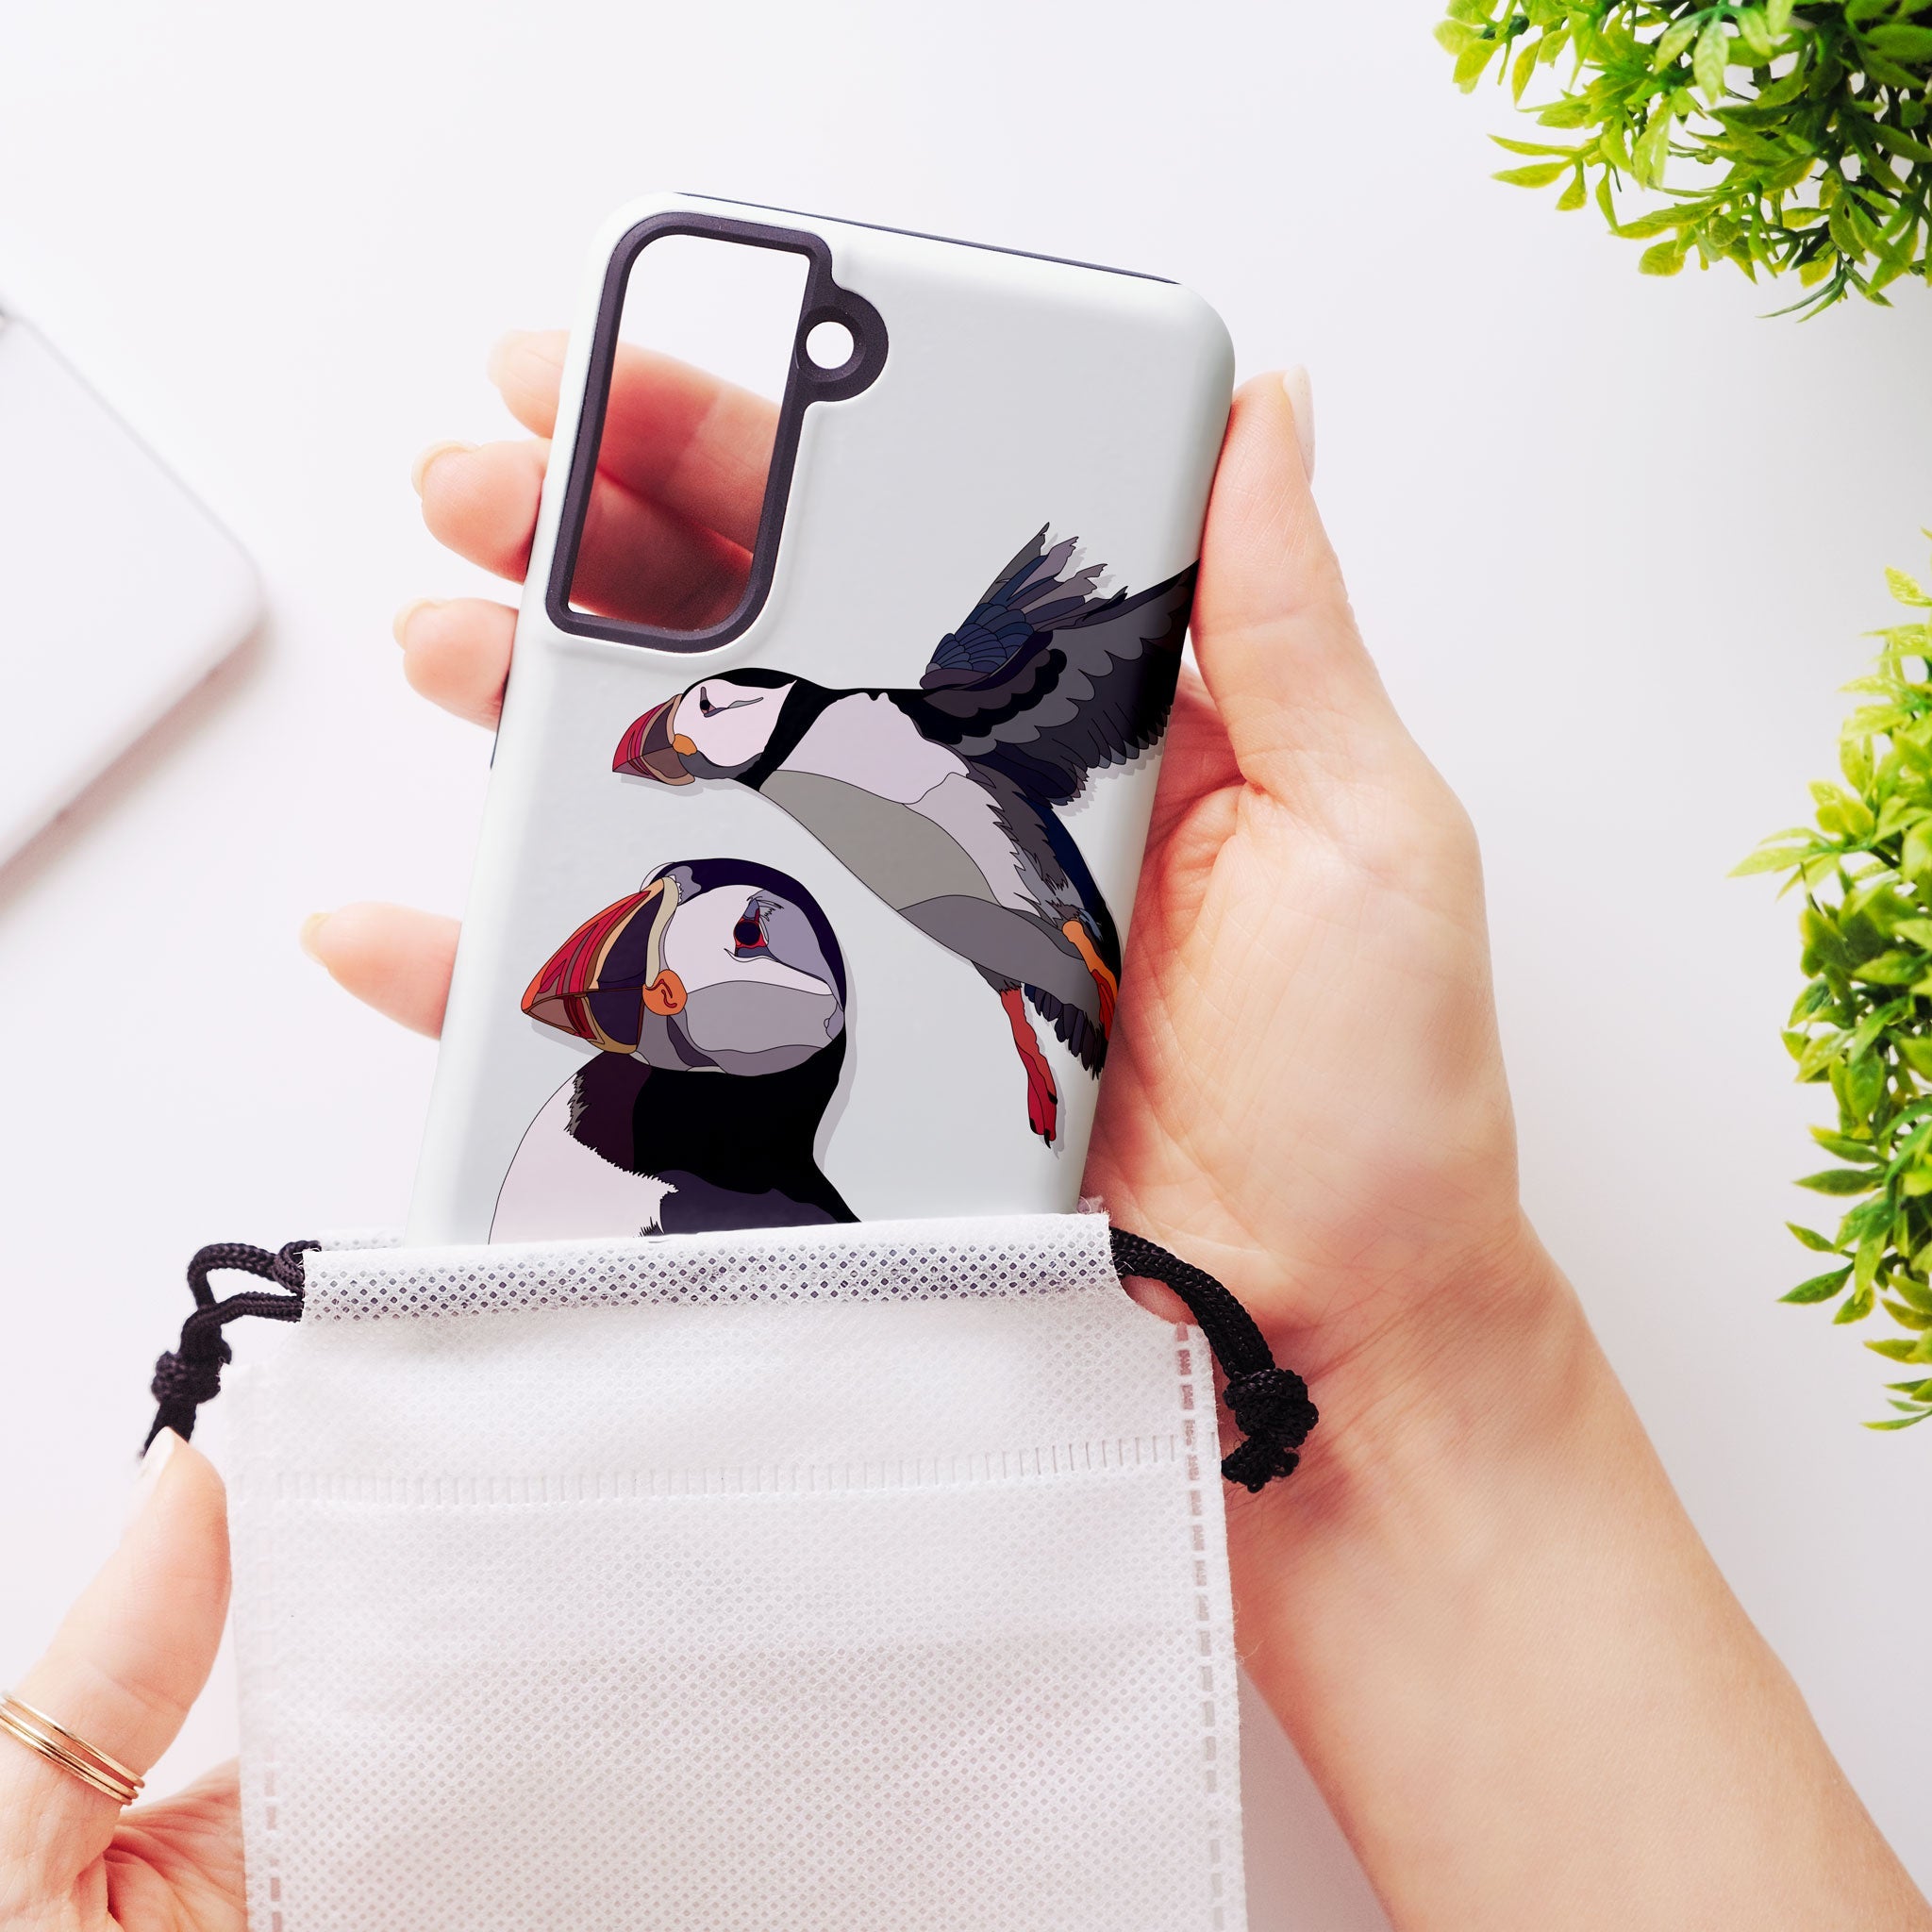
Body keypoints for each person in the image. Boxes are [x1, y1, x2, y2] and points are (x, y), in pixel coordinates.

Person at [3, 341, 1926, 1932]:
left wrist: (1376, 1335)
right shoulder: (745, 932)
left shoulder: (876, 793)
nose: (678, 951)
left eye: (718, 941)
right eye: (684, 946)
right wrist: (1372, 1378)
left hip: (1045, 1038)